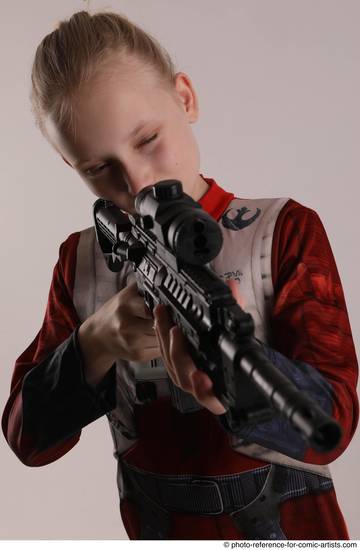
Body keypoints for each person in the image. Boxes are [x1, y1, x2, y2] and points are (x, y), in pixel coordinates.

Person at [2, 10, 358, 540]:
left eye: (147, 139)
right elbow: (27, 438)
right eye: (100, 169)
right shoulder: (82, 261)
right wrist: (95, 343)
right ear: (68, 164)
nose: (138, 179)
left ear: (185, 99)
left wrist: (235, 392)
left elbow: (333, 420)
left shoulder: (281, 232)